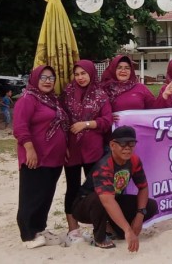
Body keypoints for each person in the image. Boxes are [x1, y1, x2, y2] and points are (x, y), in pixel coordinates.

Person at [72, 126, 158, 251]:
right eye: (123, 144)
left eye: (131, 144)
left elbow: (143, 188)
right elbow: (107, 201)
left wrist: (139, 216)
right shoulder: (104, 166)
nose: (127, 148)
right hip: (84, 206)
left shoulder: (134, 160)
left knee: (151, 206)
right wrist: (128, 229)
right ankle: (100, 237)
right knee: (100, 198)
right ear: (112, 145)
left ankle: (113, 229)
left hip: (112, 200)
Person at [13, 65, 69, 248]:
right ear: (35, 79)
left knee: (45, 194)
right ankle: (28, 235)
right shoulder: (28, 99)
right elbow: (20, 127)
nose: (47, 81)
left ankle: (39, 228)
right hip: (36, 157)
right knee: (31, 195)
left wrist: (65, 146)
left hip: (54, 157)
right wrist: (29, 149)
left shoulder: (52, 100)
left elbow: (61, 125)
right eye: (43, 77)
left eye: (51, 78)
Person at [61, 60, 113, 244]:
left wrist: (87, 124)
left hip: (93, 150)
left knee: (97, 189)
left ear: (91, 73)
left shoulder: (100, 95)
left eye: (83, 73)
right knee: (72, 188)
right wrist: (63, 146)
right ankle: (72, 230)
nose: (80, 77)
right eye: (77, 74)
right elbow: (60, 121)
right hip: (72, 150)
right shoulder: (67, 94)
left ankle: (99, 227)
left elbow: (107, 120)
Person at [101, 55, 156, 121]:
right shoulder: (104, 89)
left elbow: (155, 108)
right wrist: (107, 117)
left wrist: (163, 97)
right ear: (113, 70)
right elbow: (95, 113)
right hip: (112, 127)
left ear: (131, 71)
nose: (123, 71)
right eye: (119, 68)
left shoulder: (140, 88)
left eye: (127, 68)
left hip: (138, 126)